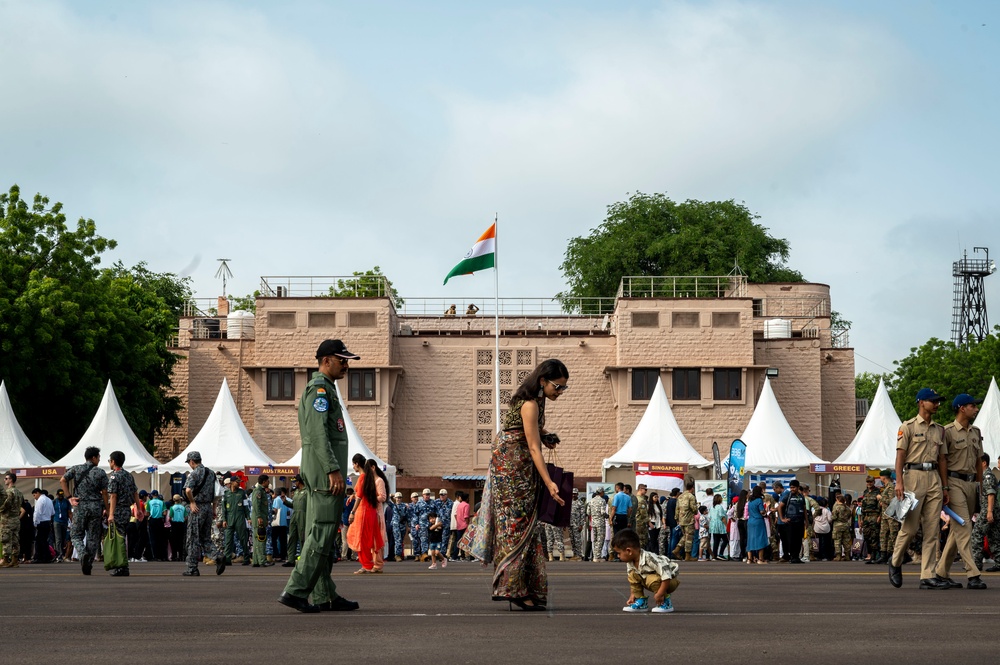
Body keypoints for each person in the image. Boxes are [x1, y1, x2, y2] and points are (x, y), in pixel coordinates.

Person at [460, 358, 569, 611]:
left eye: (564, 388)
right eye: (558, 387)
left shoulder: (536, 401)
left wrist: (546, 435)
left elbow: (529, 433)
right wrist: (549, 482)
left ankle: (522, 588)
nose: (560, 392)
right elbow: (532, 446)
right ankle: (513, 589)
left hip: (515, 463)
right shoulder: (530, 403)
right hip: (513, 467)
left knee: (525, 524)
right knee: (518, 525)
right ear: (543, 382)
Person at [279, 339, 361, 613]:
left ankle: (325, 594)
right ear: (327, 361)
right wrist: (332, 469)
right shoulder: (320, 391)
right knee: (323, 532)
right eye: (342, 360)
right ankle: (296, 590)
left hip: (320, 472)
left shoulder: (325, 390)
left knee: (322, 533)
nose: (346, 365)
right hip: (325, 474)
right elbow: (317, 433)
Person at [889, 388, 949, 590]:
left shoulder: (939, 429)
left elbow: (942, 459)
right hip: (912, 476)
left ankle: (927, 575)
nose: (937, 404)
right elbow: (900, 456)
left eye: (938, 401)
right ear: (921, 402)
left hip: (934, 478)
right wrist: (899, 481)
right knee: (911, 528)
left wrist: (945, 485)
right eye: (933, 401)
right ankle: (895, 562)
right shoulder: (907, 427)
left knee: (932, 531)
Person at [934, 393, 986, 590]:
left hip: (971, 484)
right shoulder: (947, 432)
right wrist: (944, 487)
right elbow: (942, 462)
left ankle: (941, 572)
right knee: (964, 527)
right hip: (953, 483)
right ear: (962, 408)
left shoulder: (976, 432)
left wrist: (979, 487)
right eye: (973, 406)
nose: (976, 409)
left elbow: (979, 463)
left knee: (957, 532)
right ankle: (973, 574)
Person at [60, 446, 108, 575]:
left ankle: (82, 553)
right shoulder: (101, 472)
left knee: (75, 534)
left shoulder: (76, 469)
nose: (99, 459)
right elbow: (104, 493)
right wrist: (107, 509)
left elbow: (63, 480)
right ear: (93, 458)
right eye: (98, 457)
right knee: (93, 537)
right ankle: (89, 562)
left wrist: (69, 497)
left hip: (80, 506)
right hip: (96, 507)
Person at [613, 528, 680, 614]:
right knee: (632, 575)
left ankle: (665, 602)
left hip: (669, 581)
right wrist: (633, 595)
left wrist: (660, 594)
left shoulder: (650, 558)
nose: (618, 556)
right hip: (655, 580)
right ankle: (641, 602)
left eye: (619, 553)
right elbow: (633, 581)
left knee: (652, 579)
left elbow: (666, 576)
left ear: (629, 551)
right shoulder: (630, 561)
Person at [182, 450, 226, 577]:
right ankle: (217, 556)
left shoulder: (194, 473)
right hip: (208, 507)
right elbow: (217, 493)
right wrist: (213, 508)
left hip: (197, 508)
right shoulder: (211, 473)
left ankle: (192, 568)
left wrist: (192, 502)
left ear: (191, 461)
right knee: (205, 537)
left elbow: (188, 490)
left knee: (192, 539)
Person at [347, 457, 387, 574]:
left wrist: (354, 511)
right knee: (368, 539)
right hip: (369, 511)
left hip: (371, 512)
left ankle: (375, 565)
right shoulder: (368, 479)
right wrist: (354, 496)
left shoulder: (376, 480)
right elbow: (361, 494)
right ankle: (369, 564)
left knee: (371, 540)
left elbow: (381, 497)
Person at [106, 450, 140, 576]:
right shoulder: (128, 475)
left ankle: (122, 566)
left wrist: (111, 514)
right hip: (127, 510)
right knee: (124, 537)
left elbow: (113, 496)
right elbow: (135, 493)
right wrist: (139, 509)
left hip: (118, 510)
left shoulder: (114, 476)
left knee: (119, 539)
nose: (109, 463)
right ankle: (123, 564)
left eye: (109, 460)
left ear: (113, 462)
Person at [972, 453, 1000, 572]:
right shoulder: (984, 475)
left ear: (984, 463)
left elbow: (991, 494)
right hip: (991, 510)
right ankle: (999, 562)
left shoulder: (987, 476)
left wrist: (989, 511)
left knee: (977, 535)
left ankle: (976, 564)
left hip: (987, 510)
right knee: (994, 538)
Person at [777, 480, 807, 564]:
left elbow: (804, 509)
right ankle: (792, 556)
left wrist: (806, 521)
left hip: (800, 521)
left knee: (799, 540)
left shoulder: (801, 496)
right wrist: (782, 518)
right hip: (790, 522)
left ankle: (796, 557)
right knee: (791, 540)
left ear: (798, 487)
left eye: (793, 487)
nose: (792, 489)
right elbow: (780, 507)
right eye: (791, 487)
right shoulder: (788, 496)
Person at [221, 476, 249, 565]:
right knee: (228, 540)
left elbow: (246, 506)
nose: (239, 483)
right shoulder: (226, 493)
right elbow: (223, 508)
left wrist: (248, 518)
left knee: (243, 538)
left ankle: (246, 558)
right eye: (237, 482)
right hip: (229, 518)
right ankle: (227, 559)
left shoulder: (242, 493)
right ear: (232, 482)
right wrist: (224, 520)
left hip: (240, 517)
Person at [0, 472, 24, 568]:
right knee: (15, 540)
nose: (4, 480)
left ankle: (5, 560)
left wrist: (0, 509)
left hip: (7, 519)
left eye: (6, 478)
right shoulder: (19, 492)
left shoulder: (9, 492)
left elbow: (7, 504)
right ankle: (15, 560)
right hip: (16, 519)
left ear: (11, 480)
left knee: (5, 539)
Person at [672, 479, 698, 562]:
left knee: (685, 536)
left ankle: (677, 549)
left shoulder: (680, 496)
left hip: (681, 520)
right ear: (692, 488)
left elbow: (677, 508)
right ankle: (687, 556)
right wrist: (696, 510)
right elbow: (693, 508)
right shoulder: (691, 496)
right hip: (689, 520)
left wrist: (677, 518)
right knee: (689, 537)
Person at [877, 469, 899, 564]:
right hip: (885, 514)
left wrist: (881, 498)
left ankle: (894, 555)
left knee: (893, 535)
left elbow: (892, 501)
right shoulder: (886, 487)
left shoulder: (891, 487)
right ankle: (883, 555)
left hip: (891, 515)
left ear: (883, 477)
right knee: (883, 535)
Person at [250, 474, 273, 568]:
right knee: (261, 539)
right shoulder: (258, 491)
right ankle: (262, 561)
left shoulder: (261, 491)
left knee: (257, 539)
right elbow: (256, 505)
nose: (269, 482)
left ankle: (256, 561)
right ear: (263, 482)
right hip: (259, 519)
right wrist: (259, 517)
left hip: (261, 518)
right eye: (268, 481)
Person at [285, 475, 308, 566]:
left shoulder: (306, 492)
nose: (295, 483)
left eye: (296, 481)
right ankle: (291, 559)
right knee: (292, 537)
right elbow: (294, 505)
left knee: (302, 537)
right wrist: (285, 502)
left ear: (299, 481)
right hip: (294, 515)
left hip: (303, 514)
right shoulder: (297, 492)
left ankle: (303, 559)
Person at [860, 475, 882, 564]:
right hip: (866, 516)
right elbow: (863, 506)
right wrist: (862, 518)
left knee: (874, 536)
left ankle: (874, 556)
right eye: (868, 482)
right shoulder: (865, 492)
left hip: (874, 516)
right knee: (867, 536)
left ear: (873, 482)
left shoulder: (878, 492)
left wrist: (879, 516)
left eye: (871, 482)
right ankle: (869, 555)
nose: (869, 483)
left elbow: (881, 506)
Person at [30, 488, 53, 564]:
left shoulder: (40, 500)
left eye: (34, 495)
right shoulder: (49, 500)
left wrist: (35, 523)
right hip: (47, 522)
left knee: (39, 541)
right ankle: (47, 557)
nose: (34, 497)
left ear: (37, 493)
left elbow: (37, 513)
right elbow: (53, 512)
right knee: (45, 541)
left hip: (41, 522)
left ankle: (39, 557)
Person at [745, 486, 768, 564]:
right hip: (758, 520)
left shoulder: (750, 501)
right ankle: (760, 559)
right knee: (760, 538)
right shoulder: (759, 500)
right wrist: (766, 512)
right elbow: (762, 511)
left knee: (750, 539)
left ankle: (749, 559)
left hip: (750, 521)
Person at [271, 487, 292, 563]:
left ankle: (276, 555)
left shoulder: (277, 500)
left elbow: (275, 510)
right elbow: (288, 512)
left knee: (274, 539)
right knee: (283, 540)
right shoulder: (285, 500)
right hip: (284, 522)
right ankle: (283, 555)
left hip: (276, 523)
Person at [587, 488, 607, 562]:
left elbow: (588, 512)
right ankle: (597, 557)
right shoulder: (602, 501)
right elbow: (603, 512)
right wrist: (607, 516)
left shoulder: (591, 501)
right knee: (600, 539)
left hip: (593, 522)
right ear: (601, 492)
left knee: (594, 539)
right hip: (600, 522)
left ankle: (595, 555)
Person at [449, 492, 471, 560]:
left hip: (459, 525)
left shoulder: (459, 505)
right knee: (467, 541)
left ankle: (456, 556)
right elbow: (466, 516)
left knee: (458, 541)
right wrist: (468, 524)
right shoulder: (466, 505)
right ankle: (468, 556)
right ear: (467, 498)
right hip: (464, 525)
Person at [147, 490, 167, 561]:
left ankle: (155, 556)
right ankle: (162, 556)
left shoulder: (149, 502)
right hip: (160, 521)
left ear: (152, 495)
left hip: (152, 520)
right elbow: (164, 513)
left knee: (153, 538)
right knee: (161, 538)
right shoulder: (162, 502)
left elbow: (147, 513)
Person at [831, 494, 852, 561]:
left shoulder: (836, 507)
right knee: (846, 541)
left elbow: (833, 517)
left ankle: (838, 556)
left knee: (837, 541)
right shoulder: (847, 508)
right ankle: (847, 555)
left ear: (837, 500)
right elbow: (849, 516)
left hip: (837, 526)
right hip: (846, 525)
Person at [52, 489, 70, 563]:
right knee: (58, 539)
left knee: (63, 539)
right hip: (57, 521)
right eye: (59, 495)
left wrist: (72, 521)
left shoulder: (66, 502)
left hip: (64, 522)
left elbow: (69, 512)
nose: (61, 496)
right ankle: (59, 554)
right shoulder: (54, 502)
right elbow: (52, 512)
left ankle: (61, 553)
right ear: (57, 495)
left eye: (62, 495)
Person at [390, 492, 409, 562]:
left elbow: (407, 516)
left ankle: (399, 554)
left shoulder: (404, 505)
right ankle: (397, 555)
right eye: (397, 497)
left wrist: (408, 525)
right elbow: (387, 499)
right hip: (396, 525)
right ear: (395, 498)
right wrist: (392, 495)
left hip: (402, 525)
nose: (398, 499)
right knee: (398, 540)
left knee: (401, 540)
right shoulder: (393, 505)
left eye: (400, 497)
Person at [168, 494, 187, 562]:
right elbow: (186, 517)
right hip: (181, 524)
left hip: (174, 524)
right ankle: (181, 556)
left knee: (174, 541)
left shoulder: (172, 508)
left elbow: (170, 517)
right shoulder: (183, 507)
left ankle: (174, 556)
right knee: (181, 541)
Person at [709, 494, 728, 560]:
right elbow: (722, 517)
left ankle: (714, 555)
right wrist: (726, 525)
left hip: (713, 526)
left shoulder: (712, 507)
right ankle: (721, 553)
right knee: (726, 540)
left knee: (716, 542)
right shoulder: (719, 507)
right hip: (720, 526)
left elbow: (710, 517)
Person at [436, 489, 453, 559]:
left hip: (447, 524)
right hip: (438, 524)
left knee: (445, 540)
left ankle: (442, 554)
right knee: (438, 539)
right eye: (441, 495)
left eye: (443, 495)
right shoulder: (436, 502)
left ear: (446, 495)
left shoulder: (451, 503)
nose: (442, 496)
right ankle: (437, 553)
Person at [407, 492, 422, 561]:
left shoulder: (420, 505)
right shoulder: (409, 506)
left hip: (421, 525)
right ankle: (416, 555)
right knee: (415, 541)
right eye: (414, 497)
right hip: (413, 526)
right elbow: (407, 517)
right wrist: (408, 526)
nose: (416, 498)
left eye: (416, 497)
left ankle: (422, 554)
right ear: (411, 498)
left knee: (421, 540)